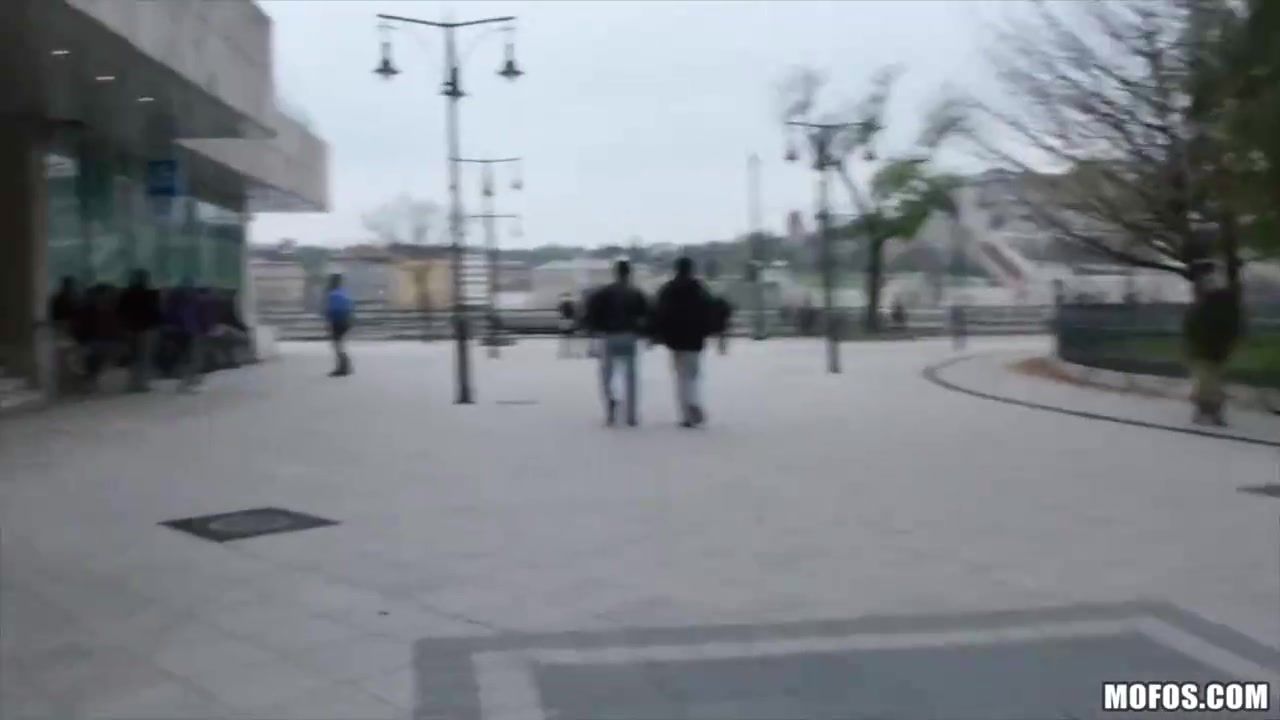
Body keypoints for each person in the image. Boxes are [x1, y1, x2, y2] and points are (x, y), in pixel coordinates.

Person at [652, 256, 718, 428]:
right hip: (695, 339)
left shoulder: (668, 289)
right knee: (693, 375)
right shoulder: (700, 289)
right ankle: (694, 399)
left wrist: (659, 335)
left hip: (675, 340)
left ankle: (686, 414)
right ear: (691, 270)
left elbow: (659, 313)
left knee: (681, 377)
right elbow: (710, 310)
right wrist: (707, 330)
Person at [583, 260, 650, 426]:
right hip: (629, 336)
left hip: (609, 336)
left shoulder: (604, 293)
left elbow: (591, 313)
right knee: (631, 377)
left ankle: (611, 403)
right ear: (629, 273)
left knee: (607, 375)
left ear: (615, 273)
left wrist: (595, 329)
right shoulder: (636, 293)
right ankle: (631, 415)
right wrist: (646, 334)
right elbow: (646, 315)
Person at [117, 269, 162, 392]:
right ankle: (141, 383)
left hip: (131, 328)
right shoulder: (151, 294)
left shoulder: (126, 293)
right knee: (144, 357)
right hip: (146, 328)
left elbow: (120, 311)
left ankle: (133, 382)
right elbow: (156, 312)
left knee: (134, 357)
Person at [166, 278, 204, 392]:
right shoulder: (189, 297)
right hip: (187, 329)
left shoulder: (176, 297)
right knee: (188, 357)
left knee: (186, 356)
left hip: (181, 329)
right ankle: (185, 383)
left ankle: (187, 381)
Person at [325, 273, 354, 377]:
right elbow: (349, 307)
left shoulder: (333, 294)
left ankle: (343, 368)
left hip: (338, 321)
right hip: (345, 321)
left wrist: (329, 320)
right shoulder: (343, 293)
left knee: (337, 345)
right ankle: (345, 366)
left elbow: (333, 310)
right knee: (339, 344)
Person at [557, 292, 578, 359]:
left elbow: (560, 312)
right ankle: (568, 352)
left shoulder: (562, 304)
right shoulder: (571, 304)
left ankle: (565, 352)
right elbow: (573, 312)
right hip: (569, 320)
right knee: (568, 338)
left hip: (565, 321)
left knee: (565, 338)